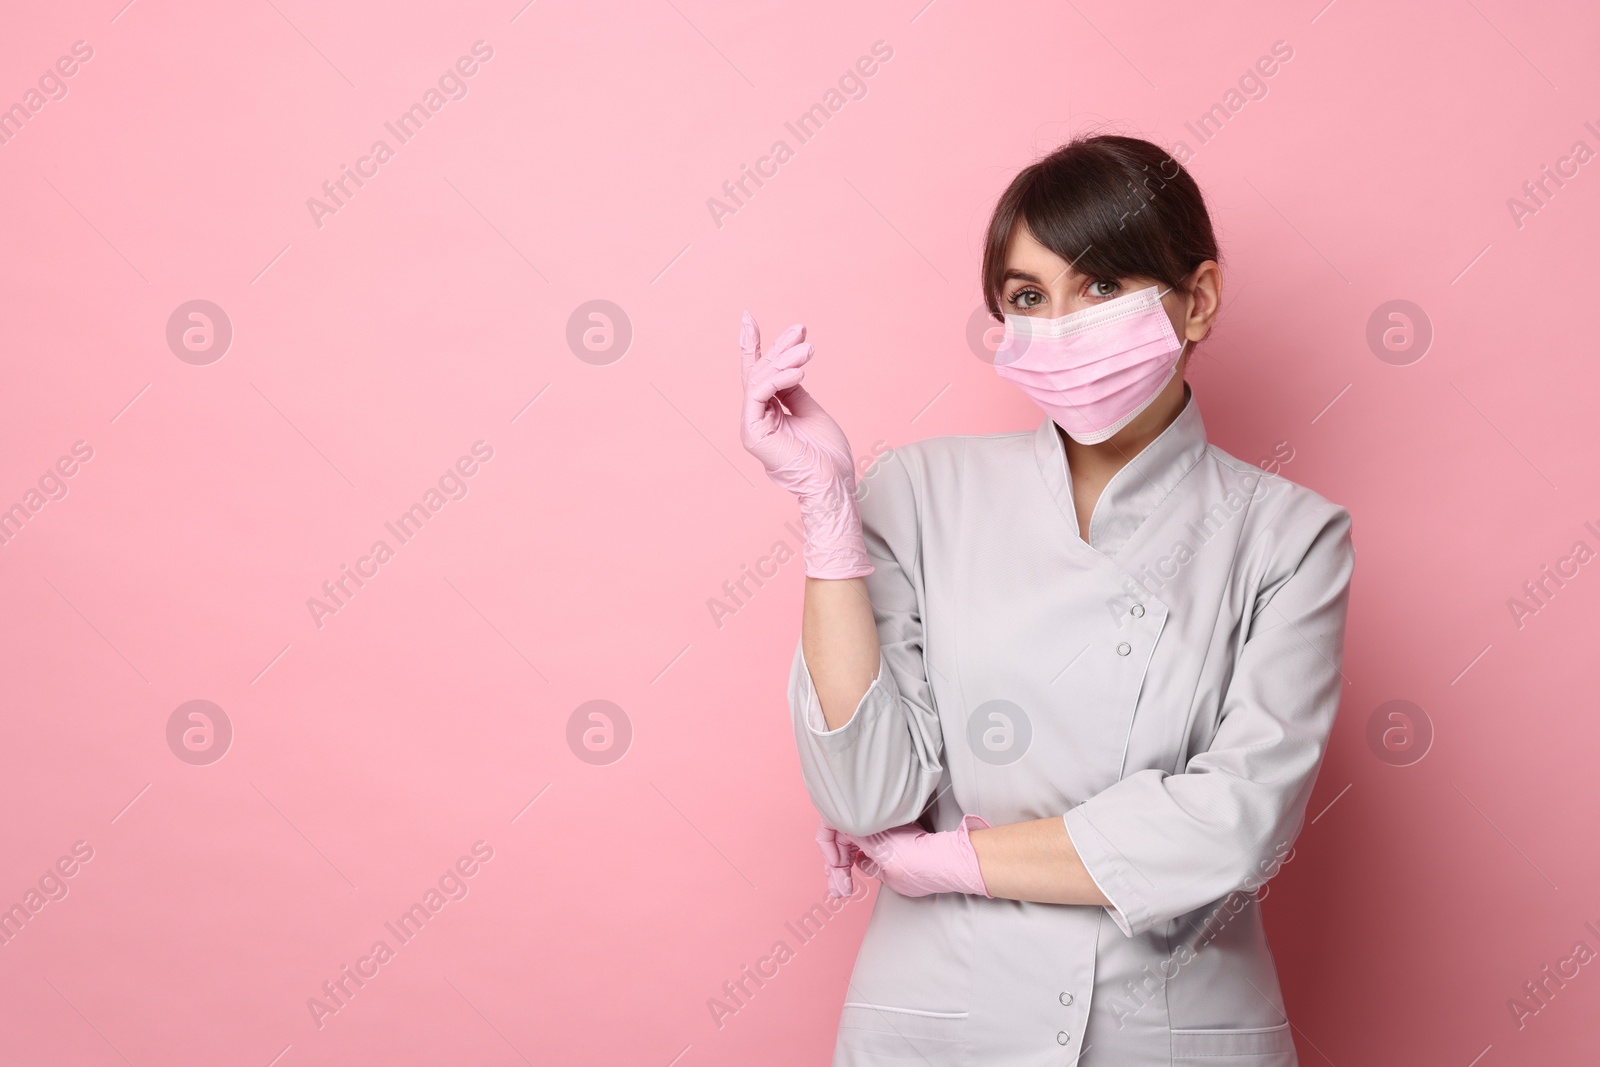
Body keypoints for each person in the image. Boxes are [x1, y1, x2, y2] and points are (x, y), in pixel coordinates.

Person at [738, 133, 1355, 1066]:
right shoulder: (915, 492)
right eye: (1030, 298)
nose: (1063, 327)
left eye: (1102, 287)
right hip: (940, 1022)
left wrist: (948, 859)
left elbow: (1236, 825)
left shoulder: (1288, 536)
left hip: (1172, 1032)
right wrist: (828, 515)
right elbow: (866, 792)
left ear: (1198, 299)